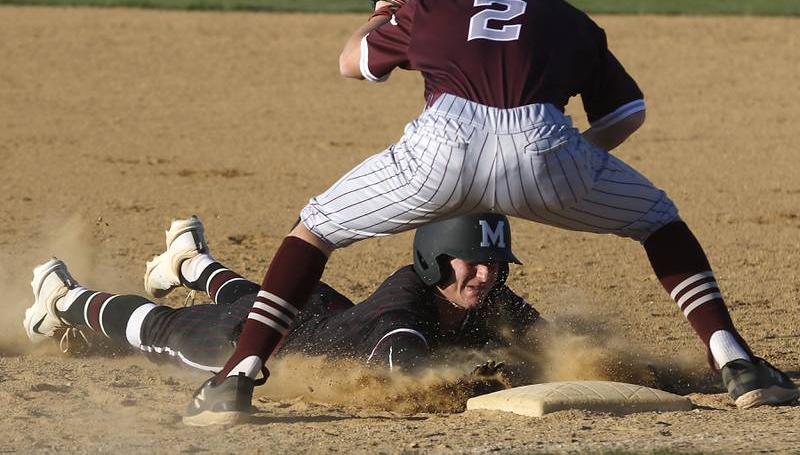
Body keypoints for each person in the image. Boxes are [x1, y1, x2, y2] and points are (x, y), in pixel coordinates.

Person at [169, 0, 797, 423]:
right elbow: (628, 111)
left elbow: (349, 63)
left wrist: (392, 10)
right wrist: (574, 160)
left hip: (441, 150)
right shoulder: (567, 18)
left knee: (313, 233)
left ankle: (237, 377)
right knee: (659, 223)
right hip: (547, 149)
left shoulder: (434, 8)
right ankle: (736, 364)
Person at [23, 214, 542, 423]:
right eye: (472, 261)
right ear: (435, 260)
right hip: (253, 344)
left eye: (494, 264)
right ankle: (63, 298)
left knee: (267, 297)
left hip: (319, 311)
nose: (484, 274)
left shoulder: (485, 294)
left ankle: (187, 262)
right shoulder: (400, 311)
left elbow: (546, 337)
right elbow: (408, 371)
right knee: (162, 330)